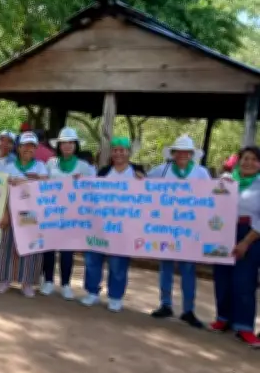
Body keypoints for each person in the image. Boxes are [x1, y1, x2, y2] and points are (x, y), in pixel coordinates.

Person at [147, 134, 211, 328]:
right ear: (173, 153)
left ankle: (188, 310)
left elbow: (211, 196)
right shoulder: (162, 170)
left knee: (188, 269)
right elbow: (142, 185)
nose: (182, 155)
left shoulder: (201, 173)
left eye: (186, 152)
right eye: (179, 151)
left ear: (191, 154)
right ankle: (165, 304)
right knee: (165, 266)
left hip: (190, 229)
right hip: (166, 227)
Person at [81, 137, 145, 312]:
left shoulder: (137, 173)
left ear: (128, 153)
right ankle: (92, 292)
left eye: (122, 150)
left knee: (118, 263)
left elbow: (147, 196)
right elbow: (91, 192)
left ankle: (115, 296)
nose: (118, 153)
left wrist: (143, 182)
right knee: (93, 259)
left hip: (124, 228)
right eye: (115, 150)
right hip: (100, 225)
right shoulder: (103, 172)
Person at [210, 146, 260, 348]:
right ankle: (223, 318)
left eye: (254, 159)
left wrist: (246, 242)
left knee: (244, 281)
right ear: (238, 161)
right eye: (245, 158)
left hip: (249, 234)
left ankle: (244, 327)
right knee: (221, 276)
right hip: (222, 230)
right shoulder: (227, 180)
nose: (249, 163)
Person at [0, 131, 48, 297]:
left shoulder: (40, 167)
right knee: (6, 245)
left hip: (31, 212)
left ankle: (27, 282)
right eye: (24, 146)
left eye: (31, 146)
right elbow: (2, 191)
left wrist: (22, 181)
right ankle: (4, 279)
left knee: (30, 245)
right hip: (11, 210)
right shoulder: (9, 167)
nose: (28, 149)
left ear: (35, 149)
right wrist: (4, 212)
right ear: (19, 148)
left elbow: (44, 185)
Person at [41, 127, 93, 300]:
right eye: (64, 143)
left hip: (72, 215)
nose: (68, 146)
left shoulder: (84, 166)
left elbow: (92, 188)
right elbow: (42, 184)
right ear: (59, 145)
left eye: (71, 143)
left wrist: (82, 182)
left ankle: (65, 284)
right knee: (49, 249)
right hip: (51, 213)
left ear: (76, 145)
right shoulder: (51, 163)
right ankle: (48, 281)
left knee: (67, 251)